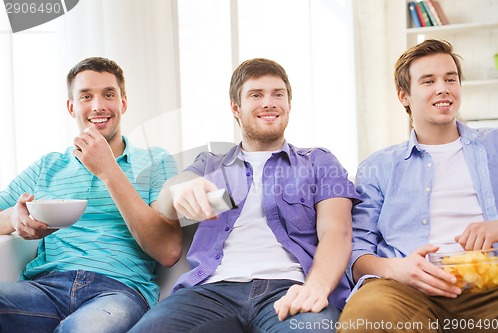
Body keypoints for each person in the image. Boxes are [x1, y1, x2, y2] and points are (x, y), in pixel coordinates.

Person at [129, 58, 360, 332]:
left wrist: (317, 287)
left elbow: (338, 232)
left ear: (289, 104)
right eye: (256, 95)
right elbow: (168, 201)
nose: (269, 103)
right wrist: (180, 190)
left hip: (291, 289)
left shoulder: (319, 161)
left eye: (278, 94)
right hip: (211, 292)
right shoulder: (210, 164)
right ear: (235, 108)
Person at [0, 57, 183, 333]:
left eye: (108, 94)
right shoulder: (48, 166)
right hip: (45, 288)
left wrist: (109, 170)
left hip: (118, 292)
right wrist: (14, 217)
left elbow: (168, 251)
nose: (98, 106)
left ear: (123, 102)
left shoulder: (156, 162)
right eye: (86, 96)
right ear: (71, 107)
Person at [337, 39, 498, 333]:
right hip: (406, 290)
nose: (443, 88)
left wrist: (497, 227)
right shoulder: (379, 167)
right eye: (428, 81)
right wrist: (394, 269)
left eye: (450, 79)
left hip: (491, 286)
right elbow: (356, 251)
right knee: (368, 315)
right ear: (404, 96)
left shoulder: (495, 145)